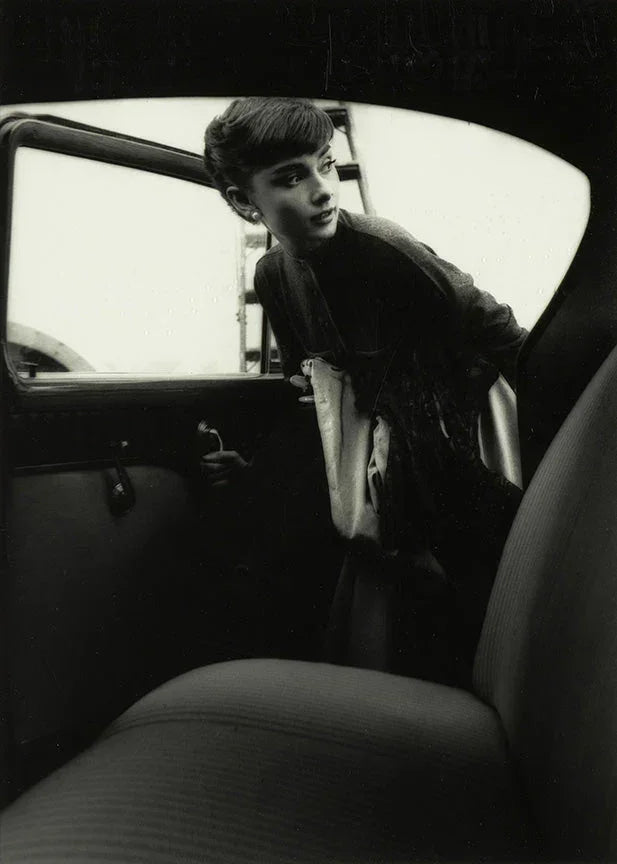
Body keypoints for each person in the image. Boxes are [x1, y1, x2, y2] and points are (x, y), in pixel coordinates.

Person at [202, 96, 527, 682]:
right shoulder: (273, 276)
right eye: (292, 178)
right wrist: (255, 468)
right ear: (245, 202)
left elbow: (502, 335)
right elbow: (314, 396)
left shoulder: (384, 247)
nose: (323, 190)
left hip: (450, 443)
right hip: (363, 457)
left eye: (325, 164)